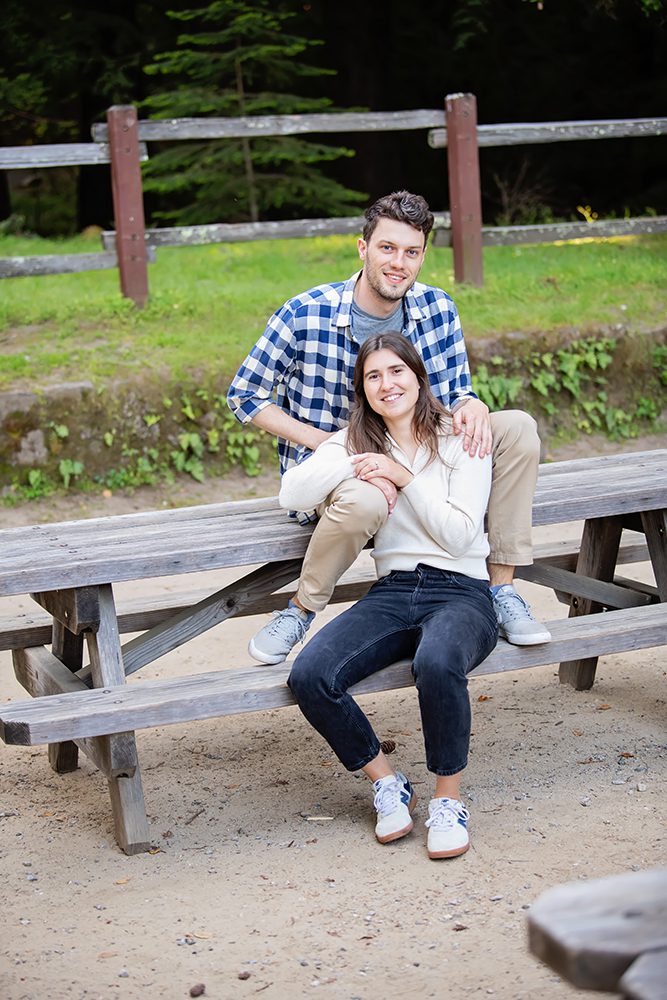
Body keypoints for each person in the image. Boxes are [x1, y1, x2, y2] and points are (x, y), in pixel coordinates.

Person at [227, 190, 551, 664]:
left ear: (422, 256)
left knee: (518, 426)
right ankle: (300, 609)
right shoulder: (304, 312)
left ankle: (501, 589)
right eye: (387, 248)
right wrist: (323, 442)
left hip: (422, 463)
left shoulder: (438, 308)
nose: (398, 262)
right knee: (363, 499)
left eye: (411, 252)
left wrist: (472, 402)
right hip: (343, 469)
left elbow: (454, 392)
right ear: (363, 249)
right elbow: (245, 395)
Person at [284, 332, 498, 857]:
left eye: (396, 371)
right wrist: (357, 459)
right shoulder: (356, 441)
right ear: (363, 390)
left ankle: (448, 798)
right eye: (373, 376)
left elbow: (459, 535)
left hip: (463, 591)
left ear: (418, 377)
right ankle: (385, 779)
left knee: (439, 659)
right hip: (395, 588)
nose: (387, 384)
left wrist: (402, 476)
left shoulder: (458, 435)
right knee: (310, 674)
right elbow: (291, 493)